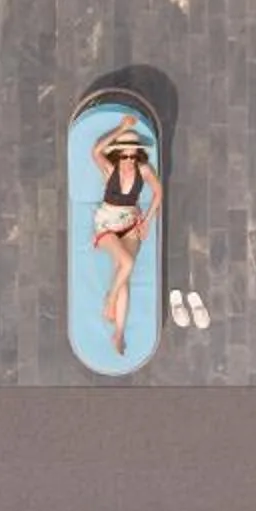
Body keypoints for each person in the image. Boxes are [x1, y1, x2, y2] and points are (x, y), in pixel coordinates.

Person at [88, 117, 158, 353]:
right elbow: (96, 151)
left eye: (133, 155)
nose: (129, 160)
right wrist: (122, 128)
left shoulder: (144, 170)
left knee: (124, 273)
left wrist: (147, 221)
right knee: (127, 263)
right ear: (118, 155)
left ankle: (119, 333)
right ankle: (110, 300)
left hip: (131, 223)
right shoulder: (110, 169)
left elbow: (158, 193)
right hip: (107, 224)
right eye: (124, 155)